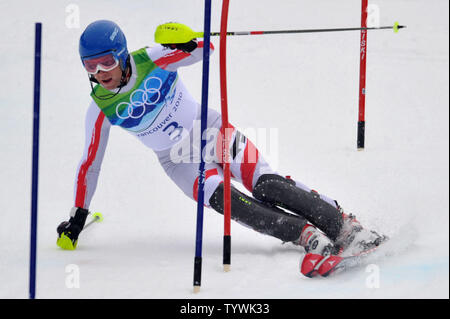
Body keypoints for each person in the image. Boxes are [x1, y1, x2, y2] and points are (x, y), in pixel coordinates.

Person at [57, 20, 386, 277]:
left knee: (267, 184)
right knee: (227, 200)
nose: (101, 74)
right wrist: (78, 214)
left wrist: (186, 41)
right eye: (90, 67)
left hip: (212, 131)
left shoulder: (151, 59)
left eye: (106, 63)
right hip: (179, 163)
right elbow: (90, 164)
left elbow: (204, 50)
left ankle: (344, 225)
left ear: (122, 54)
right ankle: (308, 237)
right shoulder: (100, 108)